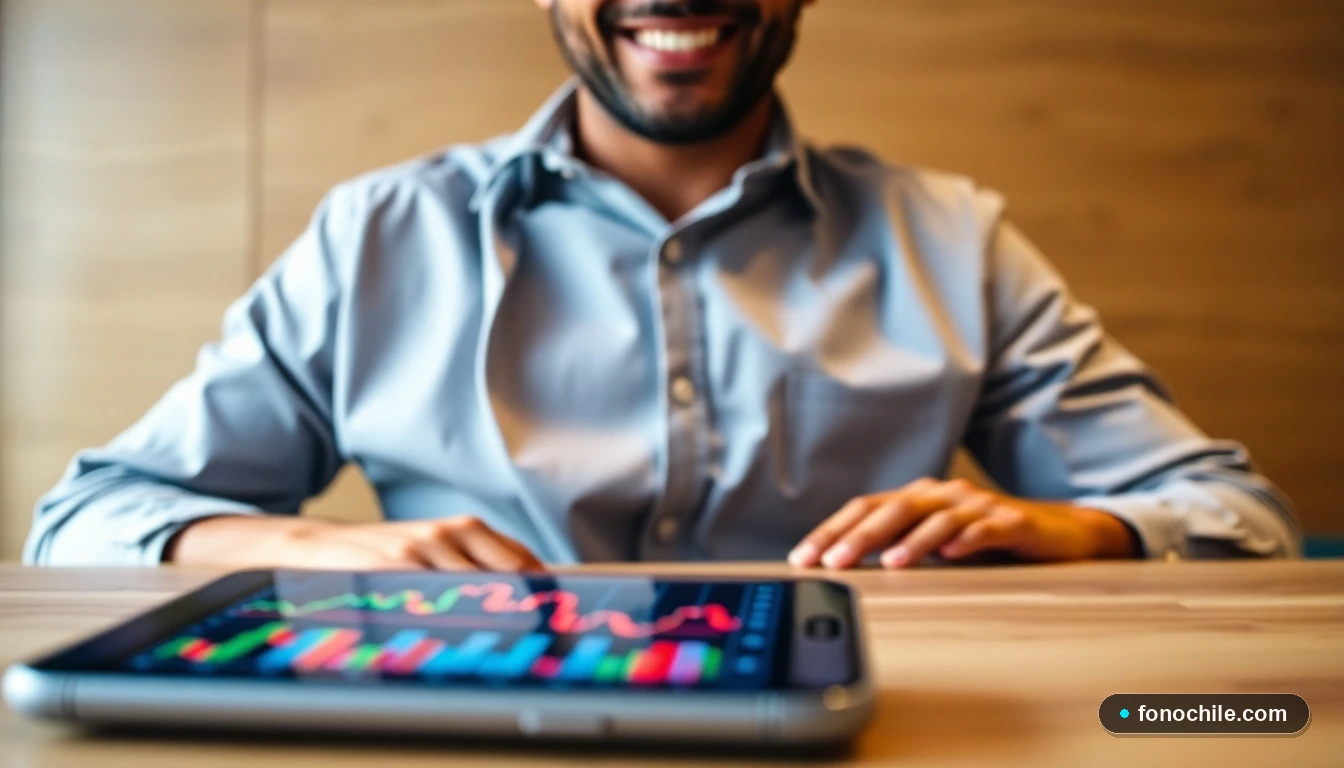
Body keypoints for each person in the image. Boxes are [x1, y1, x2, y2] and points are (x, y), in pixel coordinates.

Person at [25, 0, 1299, 571]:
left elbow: (1236, 514)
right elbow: (85, 522)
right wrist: (320, 549)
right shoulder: (378, 234)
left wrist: (1082, 527)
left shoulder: (954, 240)